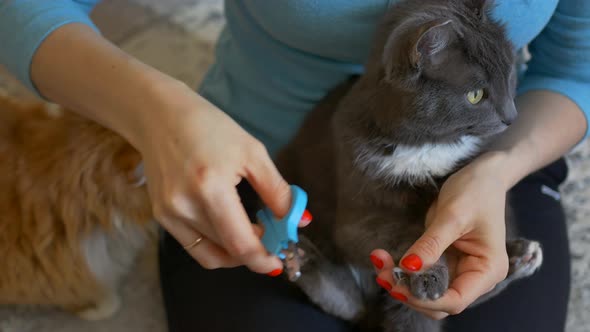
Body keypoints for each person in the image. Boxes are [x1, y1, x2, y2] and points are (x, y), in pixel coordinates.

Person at [0, 1, 587, 331]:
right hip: (258, 168)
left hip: (488, 157)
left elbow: (575, 66)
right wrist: (159, 114)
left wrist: (500, 167)